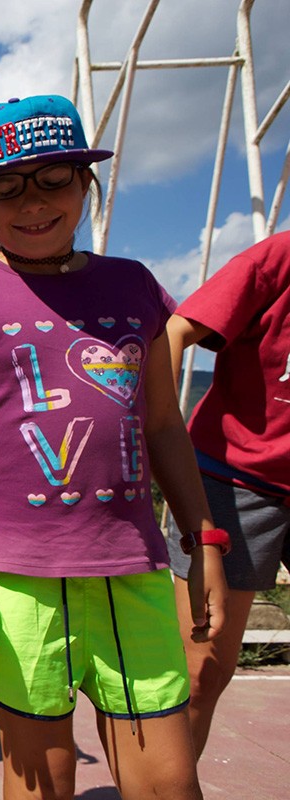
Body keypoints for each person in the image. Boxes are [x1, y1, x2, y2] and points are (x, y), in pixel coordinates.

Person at [0, 95, 228, 800]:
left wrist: (204, 545)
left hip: (133, 570)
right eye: (6, 185)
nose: (33, 202)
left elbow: (165, 426)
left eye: (55, 177)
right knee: (42, 778)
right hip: (12, 580)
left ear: (87, 183)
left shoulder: (135, 286)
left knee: (169, 783)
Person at [163, 230, 290, 758]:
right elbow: (173, 332)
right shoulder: (279, 256)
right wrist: (158, 438)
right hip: (233, 480)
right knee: (202, 672)